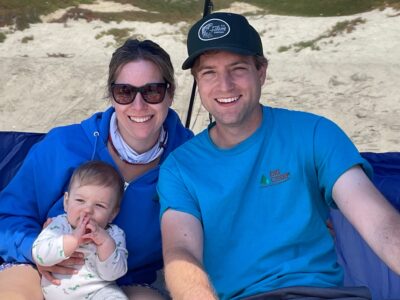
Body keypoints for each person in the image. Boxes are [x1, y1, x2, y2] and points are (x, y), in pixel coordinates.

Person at [158, 12, 400, 300]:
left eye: (237, 69)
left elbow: (379, 223)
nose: (224, 85)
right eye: (209, 72)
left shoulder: (314, 134)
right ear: (197, 81)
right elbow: (180, 254)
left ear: (261, 71)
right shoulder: (180, 167)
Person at [0, 38, 193, 300]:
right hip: (41, 270)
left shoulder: (189, 158)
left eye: (152, 91)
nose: (138, 105)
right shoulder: (64, 145)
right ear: (111, 95)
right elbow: (8, 217)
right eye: (125, 91)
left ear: (169, 94)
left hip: (122, 280)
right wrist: (35, 250)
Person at [32, 160, 128, 299]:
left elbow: (113, 274)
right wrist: (72, 240)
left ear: (112, 214)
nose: (88, 210)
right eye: (80, 201)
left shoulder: (114, 234)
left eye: (99, 205)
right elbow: (40, 255)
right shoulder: (59, 225)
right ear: (66, 202)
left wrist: (105, 244)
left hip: (99, 292)